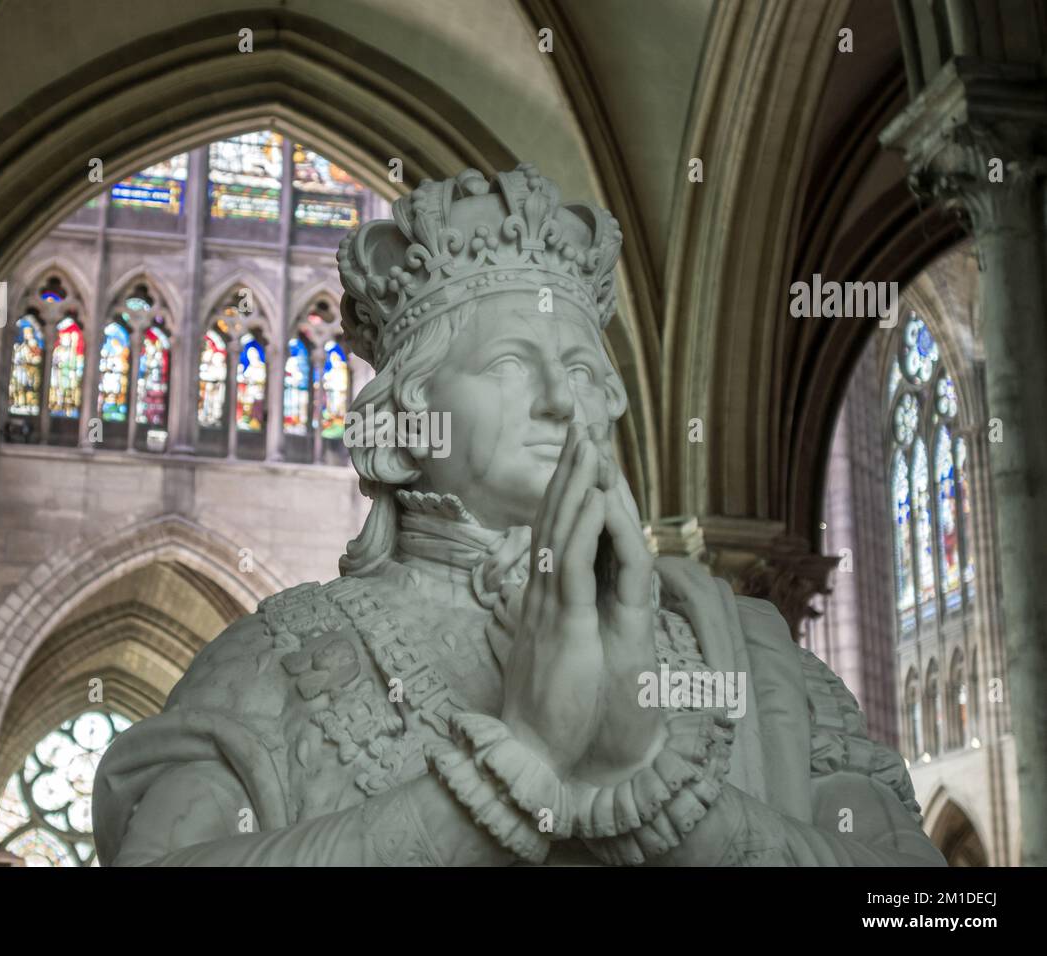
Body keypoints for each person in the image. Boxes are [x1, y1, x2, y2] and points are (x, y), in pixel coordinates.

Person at [92, 163, 944, 866]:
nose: (558, 402)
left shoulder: (751, 653)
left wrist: (653, 783)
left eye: (579, 369)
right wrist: (516, 771)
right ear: (399, 425)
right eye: (508, 360)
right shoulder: (281, 658)